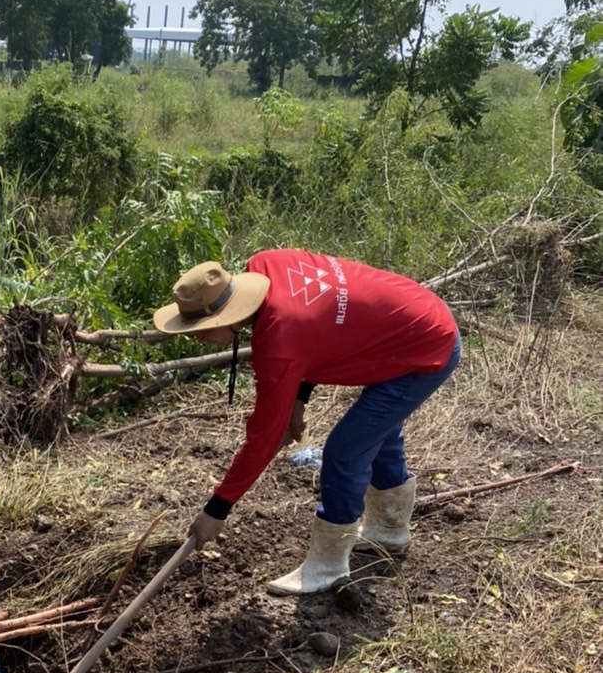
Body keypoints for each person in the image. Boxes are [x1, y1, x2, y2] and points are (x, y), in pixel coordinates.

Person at [152, 249, 461, 594]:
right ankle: (390, 531)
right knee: (376, 432)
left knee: (347, 450)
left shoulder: (280, 341)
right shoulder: (269, 263)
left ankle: (327, 566)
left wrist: (217, 509)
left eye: (202, 329)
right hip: (410, 313)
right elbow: (323, 323)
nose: (198, 337)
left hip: (426, 345)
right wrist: (298, 396)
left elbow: (264, 437)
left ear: (226, 316)